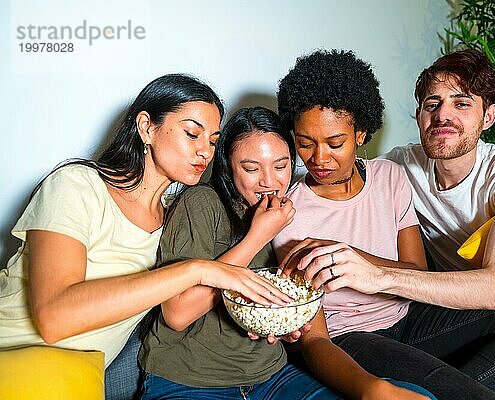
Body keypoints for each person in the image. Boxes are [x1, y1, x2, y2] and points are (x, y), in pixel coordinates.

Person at [275, 49, 495, 399]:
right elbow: (311, 331)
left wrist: (364, 265)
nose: (443, 116)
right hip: (355, 335)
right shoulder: (295, 206)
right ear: (419, 114)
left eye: (461, 103)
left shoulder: (400, 175)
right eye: (433, 104)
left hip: (414, 315)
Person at [0, 74, 292, 399]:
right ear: (146, 127)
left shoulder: (173, 216)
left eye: (212, 141)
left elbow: (185, 305)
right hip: (12, 357)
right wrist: (198, 269)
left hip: (77, 377)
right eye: (192, 133)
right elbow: (53, 318)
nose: (204, 152)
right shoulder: (76, 185)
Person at [137, 106, 434, 400]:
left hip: (272, 377)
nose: (269, 181)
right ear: (228, 165)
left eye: (280, 166)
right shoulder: (202, 203)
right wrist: (258, 236)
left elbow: (310, 330)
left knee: (417, 395)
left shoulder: (289, 212)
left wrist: (289, 329)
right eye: (251, 169)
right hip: (188, 381)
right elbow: (177, 314)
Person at [273, 49, 495, 400]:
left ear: (361, 134)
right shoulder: (289, 210)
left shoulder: (390, 177)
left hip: (409, 318)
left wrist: (352, 258)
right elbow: (314, 338)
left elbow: (416, 270)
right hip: (352, 338)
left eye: (336, 143)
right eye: (305, 143)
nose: (319, 159)